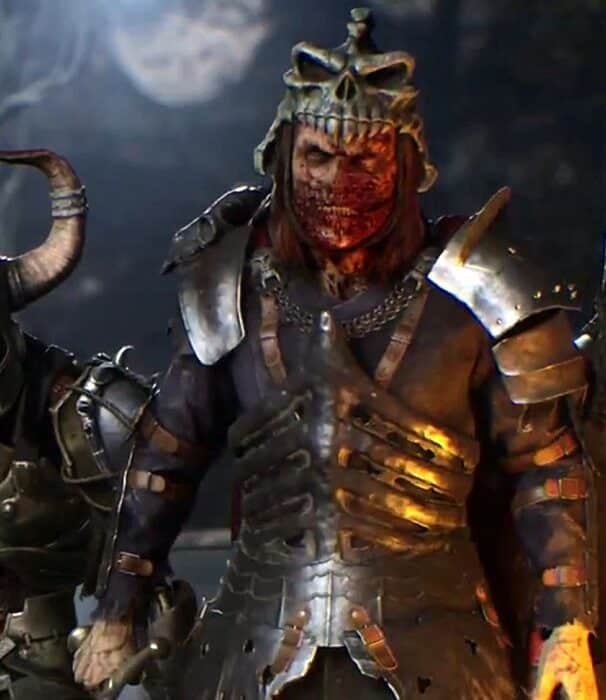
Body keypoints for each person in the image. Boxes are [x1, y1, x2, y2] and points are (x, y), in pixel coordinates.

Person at [74, 8, 599, 698]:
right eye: (317, 157)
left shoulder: (479, 290)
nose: (337, 181)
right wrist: (117, 612)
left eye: (363, 159)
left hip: (444, 642)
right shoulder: (230, 285)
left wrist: (567, 626)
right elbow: (163, 461)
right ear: (284, 161)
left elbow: (547, 469)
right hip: (250, 641)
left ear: (405, 165)